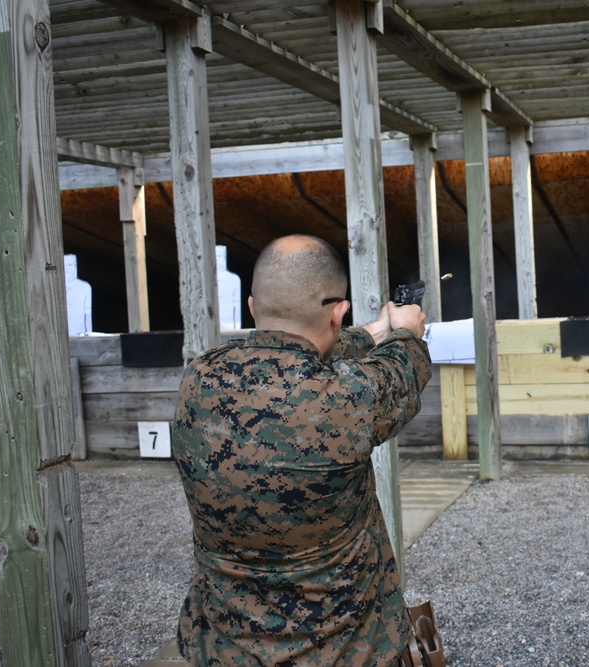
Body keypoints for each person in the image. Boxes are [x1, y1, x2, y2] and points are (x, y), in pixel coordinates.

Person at [171, 234, 431, 666]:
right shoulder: (349, 400)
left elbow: (294, 348)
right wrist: (404, 331)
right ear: (337, 312)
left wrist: (373, 331)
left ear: (254, 306)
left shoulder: (198, 380)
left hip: (223, 645)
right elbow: (402, 369)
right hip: (343, 647)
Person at [64, 253, 93, 335]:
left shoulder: (85, 287)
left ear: (74, 266)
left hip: (79, 336)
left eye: (69, 265)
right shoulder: (53, 287)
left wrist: (89, 336)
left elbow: (87, 315)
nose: (66, 269)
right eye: (64, 265)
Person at [215, 245, 243, 330]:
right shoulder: (205, 280)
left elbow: (237, 306)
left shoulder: (234, 279)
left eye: (219, 256)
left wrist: (237, 328)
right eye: (215, 257)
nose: (217, 260)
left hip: (229, 329)